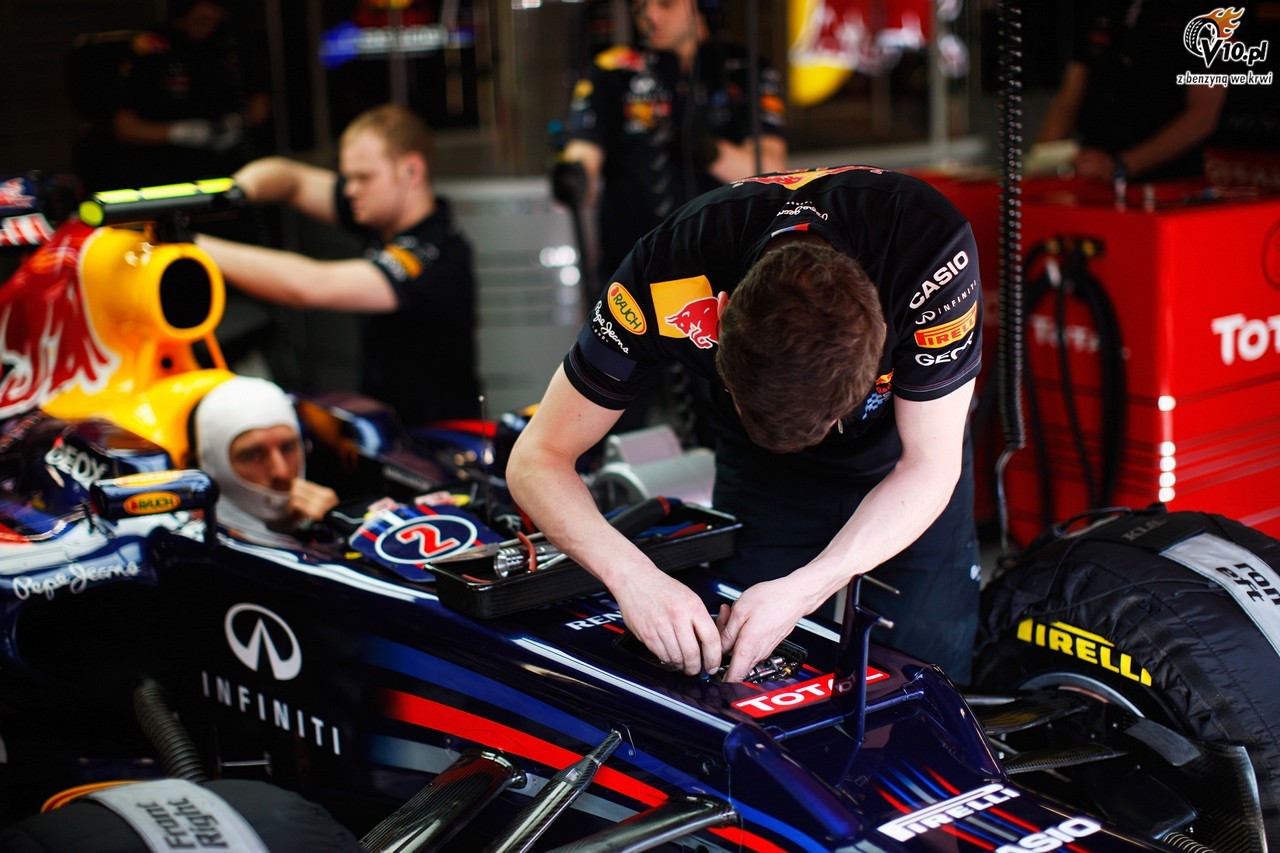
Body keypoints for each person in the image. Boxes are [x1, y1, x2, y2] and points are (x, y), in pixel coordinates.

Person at [507, 165, 983, 684]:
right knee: (733, 676)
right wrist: (633, 576)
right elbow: (537, 457)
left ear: (884, 334)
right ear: (719, 313)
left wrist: (807, 587)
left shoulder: (927, 252)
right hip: (764, 479)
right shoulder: (667, 272)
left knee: (925, 685)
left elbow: (931, 462)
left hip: (905, 464)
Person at [195, 104, 483, 427]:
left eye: (363, 177)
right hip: (386, 429)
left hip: (438, 439)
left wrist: (191, 244)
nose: (349, 190)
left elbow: (307, 286)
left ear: (411, 171)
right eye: (348, 177)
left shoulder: (433, 253)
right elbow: (290, 178)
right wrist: (236, 191)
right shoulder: (380, 213)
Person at [558, 0, 788, 287]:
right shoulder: (611, 70)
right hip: (632, 270)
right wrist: (573, 176)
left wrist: (709, 151)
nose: (650, 15)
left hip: (725, 267)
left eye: (665, 4)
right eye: (641, 6)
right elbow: (584, 156)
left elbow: (770, 170)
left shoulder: (746, 69)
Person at [1036, 0, 1226, 182]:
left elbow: (1203, 115)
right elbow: (1067, 99)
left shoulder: (1204, 10)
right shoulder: (1098, 6)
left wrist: (1120, 165)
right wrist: (1037, 165)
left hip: (1170, 183)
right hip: (1095, 176)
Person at [112, 0, 272, 188]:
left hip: (225, 167)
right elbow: (124, 127)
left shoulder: (230, 41)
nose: (210, 27)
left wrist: (238, 123)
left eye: (217, 20)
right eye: (203, 19)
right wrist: (177, 132)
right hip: (162, 169)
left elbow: (260, 103)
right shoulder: (150, 44)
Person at [192, 376, 338, 546]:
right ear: (215, 465)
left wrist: (333, 529)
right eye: (253, 455)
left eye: (287, 447)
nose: (281, 472)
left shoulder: (327, 523)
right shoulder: (194, 546)